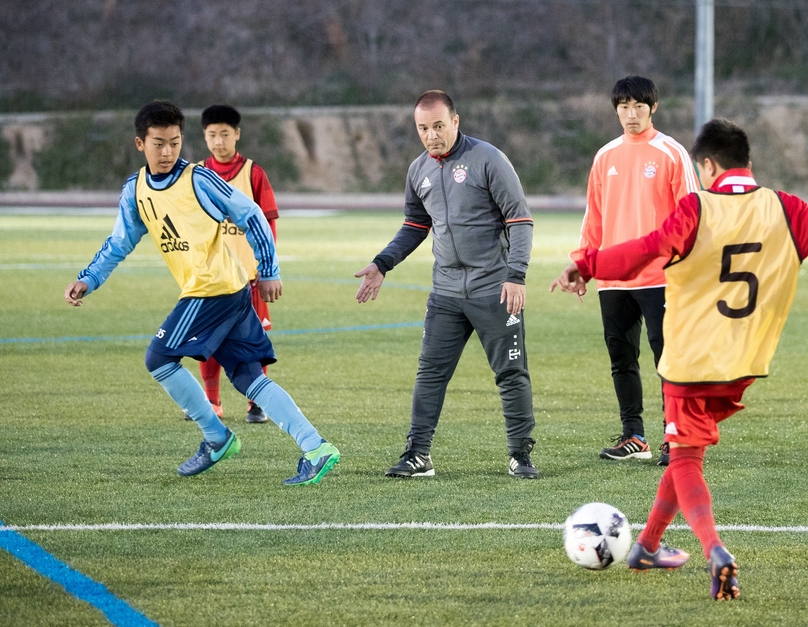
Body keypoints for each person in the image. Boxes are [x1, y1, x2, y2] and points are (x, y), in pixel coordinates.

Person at [551, 118, 808, 599]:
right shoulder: (787, 209)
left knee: (683, 458)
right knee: (689, 449)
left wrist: (588, 264)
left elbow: (648, 249)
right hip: (744, 362)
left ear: (707, 166)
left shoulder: (696, 207)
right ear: (748, 162)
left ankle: (715, 551)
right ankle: (646, 547)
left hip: (691, 359)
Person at [64, 101, 340, 485]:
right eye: (158, 144)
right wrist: (89, 278)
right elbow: (118, 243)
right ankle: (315, 447)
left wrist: (269, 271)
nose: (167, 152)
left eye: (175, 142)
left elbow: (252, 215)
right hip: (227, 291)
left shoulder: (199, 179)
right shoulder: (136, 190)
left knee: (158, 358)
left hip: (213, 290)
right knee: (247, 375)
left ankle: (216, 437)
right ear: (140, 144)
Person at [355, 90, 538, 479]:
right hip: (446, 293)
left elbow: (520, 219)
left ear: (455, 121)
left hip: (494, 290)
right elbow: (414, 225)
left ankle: (520, 455)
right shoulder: (418, 170)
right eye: (423, 128)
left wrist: (516, 275)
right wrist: (382, 263)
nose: (431, 135)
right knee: (430, 372)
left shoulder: (488, 159)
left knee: (511, 373)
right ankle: (418, 454)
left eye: (438, 126)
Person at [552, 76, 698, 467]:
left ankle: (676, 437)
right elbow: (594, 218)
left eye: (638, 107)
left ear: (653, 108)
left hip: (661, 276)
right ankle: (634, 435)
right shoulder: (605, 157)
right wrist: (583, 265)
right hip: (613, 278)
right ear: (616, 110)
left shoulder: (671, 152)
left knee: (668, 359)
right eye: (623, 107)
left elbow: (692, 216)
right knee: (621, 358)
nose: (631, 115)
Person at [195, 104, 280, 424]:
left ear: (237, 134)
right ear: (204, 136)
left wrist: (266, 267)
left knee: (254, 340)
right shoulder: (195, 175)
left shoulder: (253, 173)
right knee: (207, 340)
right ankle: (211, 402)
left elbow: (268, 223)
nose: (218, 142)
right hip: (209, 278)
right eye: (212, 135)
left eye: (225, 134)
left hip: (249, 278)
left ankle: (256, 403)